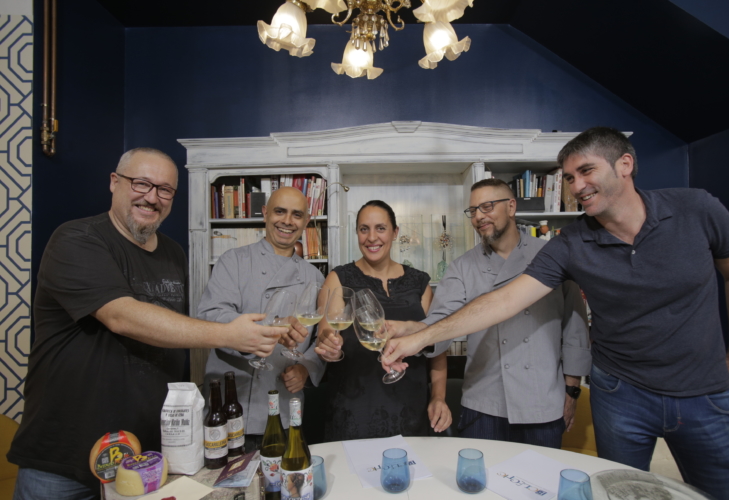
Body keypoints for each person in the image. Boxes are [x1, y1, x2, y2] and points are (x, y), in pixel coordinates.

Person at [383, 127, 729, 499]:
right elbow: (503, 302)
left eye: (586, 171)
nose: (576, 187)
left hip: (699, 390)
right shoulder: (570, 244)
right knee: (616, 493)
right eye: (570, 178)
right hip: (618, 393)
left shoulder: (696, 209)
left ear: (625, 164)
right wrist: (418, 334)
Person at [8, 148, 291, 500]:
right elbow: (121, 316)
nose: (152, 197)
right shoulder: (77, 239)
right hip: (64, 459)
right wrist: (230, 334)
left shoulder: (173, 253)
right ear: (114, 182)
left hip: (147, 458)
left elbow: (174, 329)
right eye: (141, 183)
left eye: (165, 190)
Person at [390, 179, 590, 447]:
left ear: (511, 207)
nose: (478, 217)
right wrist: (410, 330)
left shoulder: (552, 256)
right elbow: (441, 322)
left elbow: (575, 328)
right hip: (483, 405)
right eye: (473, 210)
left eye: (487, 206)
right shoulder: (462, 267)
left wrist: (572, 390)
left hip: (541, 402)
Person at [197, 186, 325, 447]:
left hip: (286, 409)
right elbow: (211, 317)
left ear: (306, 221)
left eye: (297, 215)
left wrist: (306, 368)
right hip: (232, 404)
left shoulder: (315, 277)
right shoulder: (233, 261)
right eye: (280, 211)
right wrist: (269, 328)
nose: (287, 221)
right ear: (265, 213)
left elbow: (319, 341)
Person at [315, 200, 452, 441]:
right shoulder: (339, 279)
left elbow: (437, 346)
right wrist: (329, 346)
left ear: (395, 232)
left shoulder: (419, 282)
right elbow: (325, 334)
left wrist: (438, 397)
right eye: (363, 229)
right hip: (355, 409)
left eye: (380, 228)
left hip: (412, 408)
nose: (371, 237)